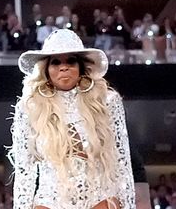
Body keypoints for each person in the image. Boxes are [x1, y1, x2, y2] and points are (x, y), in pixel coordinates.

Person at [10, 29, 136, 209]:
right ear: (46, 68)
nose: (64, 67)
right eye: (55, 62)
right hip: (50, 202)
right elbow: (25, 172)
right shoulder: (30, 107)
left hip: (98, 198)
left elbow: (121, 162)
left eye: (70, 60)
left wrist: (125, 203)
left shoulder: (106, 101)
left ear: (81, 66)